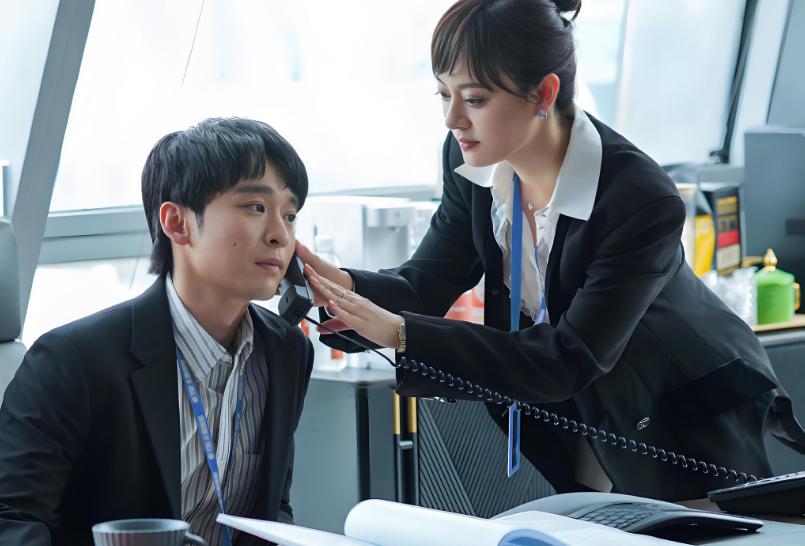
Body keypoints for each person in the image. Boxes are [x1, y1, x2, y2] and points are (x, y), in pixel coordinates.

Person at [298, 0, 805, 501]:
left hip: (677, 415)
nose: (453, 119)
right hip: (576, 417)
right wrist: (342, 287)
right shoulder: (470, 162)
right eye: (443, 94)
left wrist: (401, 333)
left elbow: (569, 357)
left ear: (543, 92)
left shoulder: (638, 197)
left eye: (474, 99)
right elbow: (426, 280)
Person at [0, 118, 313, 545]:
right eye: (255, 207)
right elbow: (12, 519)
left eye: (290, 215)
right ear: (177, 222)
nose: (280, 235)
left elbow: (272, 510)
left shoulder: (286, 351)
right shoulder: (72, 360)